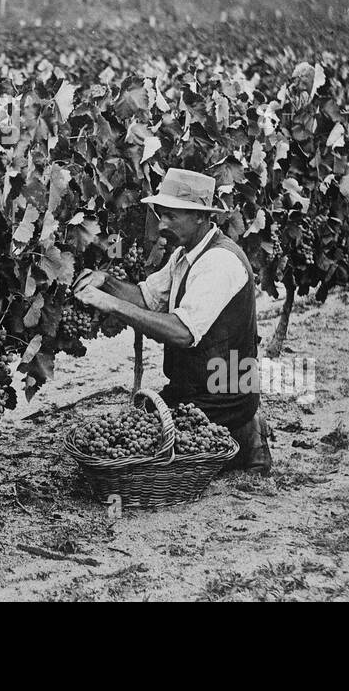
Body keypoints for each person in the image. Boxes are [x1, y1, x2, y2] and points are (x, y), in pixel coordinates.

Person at [73, 167, 272, 474]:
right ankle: (241, 435)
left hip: (224, 396)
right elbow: (146, 297)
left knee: (147, 452)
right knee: (136, 427)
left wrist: (110, 304)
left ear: (201, 217)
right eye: (161, 214)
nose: (162, 223)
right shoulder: (184, 253)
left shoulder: (219, 262)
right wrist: (107, 281)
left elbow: (181, 333)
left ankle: (244, 436)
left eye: (171, 216)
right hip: (192, 390)